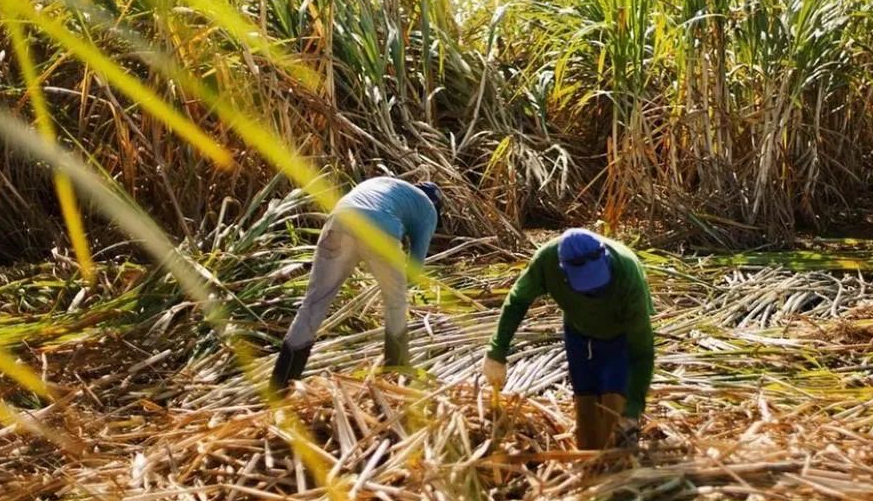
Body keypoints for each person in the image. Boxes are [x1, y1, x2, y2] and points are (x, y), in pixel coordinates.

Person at [481, 228, 655, 450]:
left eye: (599, 286)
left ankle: (619, 465)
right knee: (585, 397)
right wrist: (497, 352)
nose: (594, 293)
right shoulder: (547, 262)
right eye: (587, 289)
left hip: (620, 334)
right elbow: (517, 301)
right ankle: (590, 462)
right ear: (564, 273)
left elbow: (642, 350)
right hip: (578, 331)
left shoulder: (627, 271)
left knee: (616, 400)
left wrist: (633, 410)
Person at [270, 176, 442, 392]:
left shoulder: (385, 184)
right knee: (396, 303)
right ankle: (395, 377)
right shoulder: (428, 209)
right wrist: (394, 279)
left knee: (313, 304)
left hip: (338, 221)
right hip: (380, 230)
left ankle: (280, 384)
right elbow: (415, 268)